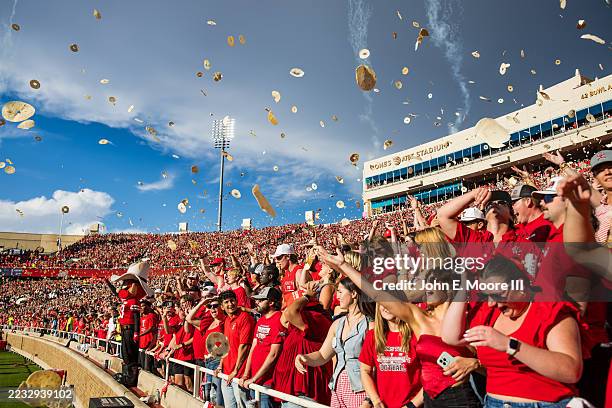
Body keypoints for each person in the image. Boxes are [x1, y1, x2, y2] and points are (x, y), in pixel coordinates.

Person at [317, 237, 482, 408]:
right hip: (430, 401)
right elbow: (377, 294)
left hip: (460, 400)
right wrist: (344, 266)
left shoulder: (466, 318)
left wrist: (476, 363)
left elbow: (498, 362)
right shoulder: (419, 318)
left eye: (434, 281)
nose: (428, 286)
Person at [441, 255, 583, 407]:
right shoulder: (490, 313)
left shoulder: (548, 311)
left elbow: (571, 371)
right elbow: (451, 337)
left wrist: (509, 345)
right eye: (487, 295)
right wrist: (464, 285)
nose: (491, 303)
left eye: (499, 295)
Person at [295, 278, 374, 408]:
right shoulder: (337, 324)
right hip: (337, 388)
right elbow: (322, 355)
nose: (337, 296)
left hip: (361, 390)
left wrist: (369, 399)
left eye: (340, 292)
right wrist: (305, 358)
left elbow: (375, 366)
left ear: (354, 294)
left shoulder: (370, 325)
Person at [274, 281, 333, 407]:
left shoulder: (317, 317)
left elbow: (289, 313)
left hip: (304, 392)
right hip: (292, 391)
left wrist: (306, 296)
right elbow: (284, 318)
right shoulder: (301, 319)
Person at [359, 303, 423, 408]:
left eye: (390, 301)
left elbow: (431, 376)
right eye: (382, 303)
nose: (385, 306)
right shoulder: (373, 336)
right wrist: (375, 401)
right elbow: (365, 371)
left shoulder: (416, 335)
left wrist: (411, 405)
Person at [106, 260, 154, 387]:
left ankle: (131, 378)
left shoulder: (134, 301)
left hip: (130, 329)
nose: (125, 286)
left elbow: (136, 317)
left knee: (130, 353)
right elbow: (117, 293)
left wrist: (136, 332)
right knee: (126, 352)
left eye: (129, 283)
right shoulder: (128, 300)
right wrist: (107, 283)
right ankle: (127, 374)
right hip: (124, 328)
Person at [240, 287, 286, 408]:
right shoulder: (260, 320)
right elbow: (253, 349)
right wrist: (246, 374)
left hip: (267, 382)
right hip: (254, 380)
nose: (257, 303)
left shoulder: (279, 319)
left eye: (261, 300)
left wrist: (254, 378)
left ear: (271, 302)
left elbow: (274, 355)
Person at [216, 290, 255, 408]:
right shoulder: (227, 320)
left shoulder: (245, 318)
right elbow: (226, 346)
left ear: (237, 301)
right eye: (226, 302)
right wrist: (220, 366)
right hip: (226, 373)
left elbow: (244, 347)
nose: (230, 304)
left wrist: (236, 371)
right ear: (222, 306)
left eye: (232, 301)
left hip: (239, 375)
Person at [273, 244, 310, 308]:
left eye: (279, 258)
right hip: (288, 312)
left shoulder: (299, 272)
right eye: (275, 259)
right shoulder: (286, 274)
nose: (276, 261)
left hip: (298, 313)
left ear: (288, 256)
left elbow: (304, 297)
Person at [138, 299, 158, 373]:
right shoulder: (142, 317)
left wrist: (139, 335)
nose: (141, 308)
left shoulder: (152, 316)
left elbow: (152, 328)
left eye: (143, 306)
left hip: (149, 343)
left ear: (149, 307)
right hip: (141, 343)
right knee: (142, 365)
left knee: (148, 367)